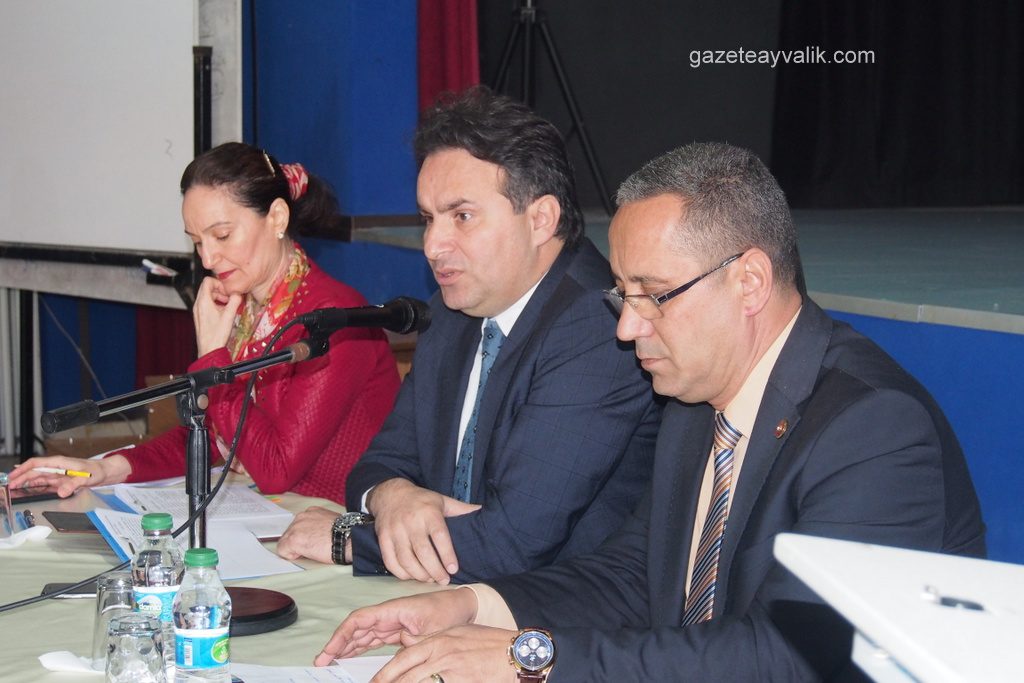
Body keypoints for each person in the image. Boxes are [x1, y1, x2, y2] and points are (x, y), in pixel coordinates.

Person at [312, 142, 986, 681]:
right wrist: (472, 605)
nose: (628, 327)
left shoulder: (871, 428)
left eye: (654, 295)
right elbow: (633, 575)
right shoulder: (694, 401)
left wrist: (530, 657)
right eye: (622, 294)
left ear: (749, 281)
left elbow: (791, 656)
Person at [276, 87, 661, 584]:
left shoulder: (596, 326)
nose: (433, 245)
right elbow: (380, 464)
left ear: (540, 219)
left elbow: (513, 543)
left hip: (555, 613)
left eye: (461, 216)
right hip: (455, 593)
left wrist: (347, 540)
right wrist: (396, 497)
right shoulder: (451, 313)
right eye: (428, 219)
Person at [10, 142, 401, 505]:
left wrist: (214, 356)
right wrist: (101, 469)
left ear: (277, 218)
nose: (209, 259)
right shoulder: (247, 310)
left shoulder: (333, 316)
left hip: (340, 526)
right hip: (280, 516)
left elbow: (275, 469)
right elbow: (211, 435)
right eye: (197, 241)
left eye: (222, 235)